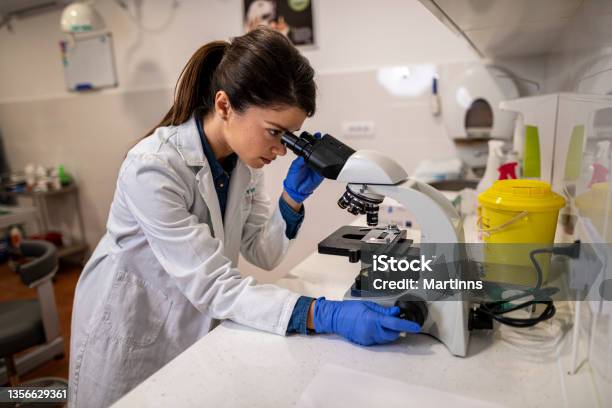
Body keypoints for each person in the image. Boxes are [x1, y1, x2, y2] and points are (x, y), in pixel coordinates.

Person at [68, 27, 420, 408]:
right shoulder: (152, 168)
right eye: (275, 133)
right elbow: (215, 285)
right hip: (129, 321)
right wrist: (324, 314)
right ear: (224, 106)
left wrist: (291, 197)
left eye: (290, 137)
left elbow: (262, 253)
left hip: (192, 318)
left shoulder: (242, 164)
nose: (281, 150)